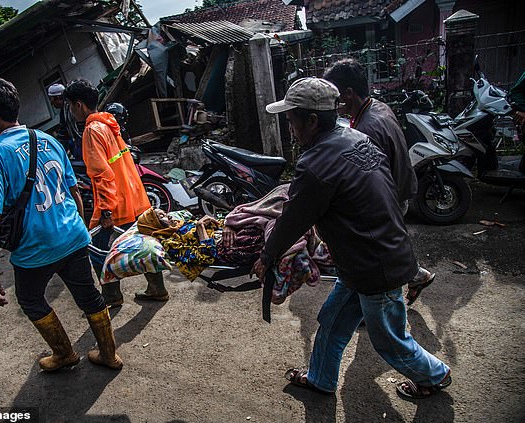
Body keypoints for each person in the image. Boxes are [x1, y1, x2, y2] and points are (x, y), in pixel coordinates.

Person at [254, 77, 451, 399]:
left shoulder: (316, 163)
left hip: (375, 265)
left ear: (312, 120)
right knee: (332, 321)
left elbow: (294, 218)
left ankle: (435, 375)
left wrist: (267, 255)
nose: (290, 127)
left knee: (389, 339)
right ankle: (321, 378)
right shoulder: (356, 138)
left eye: (291, 120)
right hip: (363, 258)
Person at [0, 78, 122, 372]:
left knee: (30, 299)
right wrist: (77, 229)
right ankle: (109, 354)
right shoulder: (47, 139)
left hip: (35, 247)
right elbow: (75, 191)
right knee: (89, 296)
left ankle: (65, 354)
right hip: (72, 235)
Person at [323, 59, 434, 305]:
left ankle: (379, 304)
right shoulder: (378, 108)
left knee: (376, 253)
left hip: (391, 195)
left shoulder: (366, 129)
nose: (333, 102)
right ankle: (416, 277)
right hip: (401, 186)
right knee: (390, 246)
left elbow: (366, 183)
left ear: (349, 94)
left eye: (335, 95)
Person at [64, 78, 168, 306]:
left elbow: (102, 175)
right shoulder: (109, 124)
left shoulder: (92, 131)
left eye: (71, 106)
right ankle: (157, 287)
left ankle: (111, 295)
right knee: (142, 241)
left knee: (96, 249)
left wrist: (106, 212)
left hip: (115, 202)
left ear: (79, 104)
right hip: (134, 196)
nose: (71, 112)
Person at [137, 208, 221, 281]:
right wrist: (200, 227)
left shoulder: (180, 224)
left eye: (165, 213)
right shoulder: (171, 244)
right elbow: (207, 257)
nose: (169, 216)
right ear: (155, 226)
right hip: (225, 244)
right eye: (162, 216)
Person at [47, 83, 82, 160]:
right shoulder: (64, 111)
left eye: (52, 99)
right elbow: (63, 133)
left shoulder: (71, 108)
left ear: (58, 98)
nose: (51, 103)